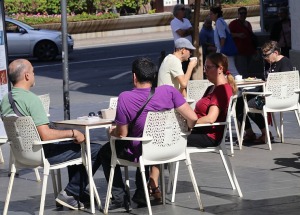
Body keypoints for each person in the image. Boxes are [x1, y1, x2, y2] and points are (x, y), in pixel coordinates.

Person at [0, 59, 102, 210]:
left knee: (74, 146)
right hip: (42, 153)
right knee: (94, 149)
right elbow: (46, 135)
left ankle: (78, 192)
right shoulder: (31, 99)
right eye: (33, 71)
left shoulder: (5, 100)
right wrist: (73, 132)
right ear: (27, 76)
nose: (34, 74)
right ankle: (70, 192)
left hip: (21, 154)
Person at [99, 57, 197, 211]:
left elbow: (122, 134)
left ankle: (118, 197)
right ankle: (141, 194)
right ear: (153, 76)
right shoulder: (169, 91)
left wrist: (113, 132)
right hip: (172, 148)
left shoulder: (125, 97)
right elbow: (193, 117)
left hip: (144, 151)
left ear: (134, 76)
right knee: (142, 142)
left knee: (105, 152)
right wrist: (186, 130)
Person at [235, 41, 293, 143]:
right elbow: (266, 77)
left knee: (249, 105)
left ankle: (266, 133)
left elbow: (283, 83)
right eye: (263, 55)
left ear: (275, 53)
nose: (264, 57)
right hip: (266, 94)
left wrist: (267, 83)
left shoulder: (285, 63)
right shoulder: (270, 63)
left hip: (277, 97)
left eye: (266, 55)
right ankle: (249, 133)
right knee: (238, 102)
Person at [187, 53, 238, 147]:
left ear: (220, 69)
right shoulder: (212, 88)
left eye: (208, 67)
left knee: (171, 139)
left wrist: (188, 123)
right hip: (199, 130)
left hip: (207, 135)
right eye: (205, 67)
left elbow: (211, 118)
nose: (204, 70)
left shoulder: (221, 90)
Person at [210, 6, 239, 77]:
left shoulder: (219, 22)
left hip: (224, 51)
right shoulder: (221, 22)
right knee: (226, 70)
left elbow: (223, 37)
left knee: (232, 70)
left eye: (211, 14)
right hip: (225, 51)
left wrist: (220, 51)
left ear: (216, 14)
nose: (210, 16)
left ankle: (241, 86)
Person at [229, 6, 257, 77]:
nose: (243, 15)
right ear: (238, 14)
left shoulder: (248, 24)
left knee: (249, 69)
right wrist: (237, 35)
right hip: (239, 51)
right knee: (242, 70)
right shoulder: (234, 23)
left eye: (244, 13)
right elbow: (228, 35)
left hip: (249, 50)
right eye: (241, 13)